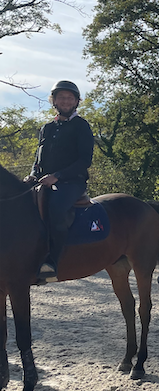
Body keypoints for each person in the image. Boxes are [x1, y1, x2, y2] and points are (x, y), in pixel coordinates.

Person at [24, 81, 94, 282]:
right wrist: (32, 174)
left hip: (72, 182)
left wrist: (58, 176)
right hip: (43, 180)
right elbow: (39, 160)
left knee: (56, 207)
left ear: (76, 102)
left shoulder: (81, 126)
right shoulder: (46, 128)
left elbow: (84, 161)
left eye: (69, 98)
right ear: (54, 101)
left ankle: (52, 262)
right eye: (61, 97)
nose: (65, 101)